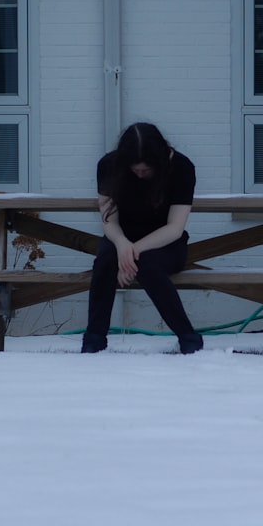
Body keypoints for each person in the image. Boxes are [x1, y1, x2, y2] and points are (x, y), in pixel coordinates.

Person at [81, 122, 204, 354]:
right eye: (134, 170)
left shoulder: (181, 168)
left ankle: (189, 338)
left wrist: (132, 253)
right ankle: (93, 341)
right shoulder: (109, 166)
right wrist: (122, 245)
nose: (139, 174)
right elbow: (110, 221)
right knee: (104, 262)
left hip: (166, 243)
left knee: (148, 265)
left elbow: (175, 228)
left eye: (146, 170)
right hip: (122, 237)